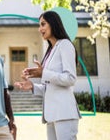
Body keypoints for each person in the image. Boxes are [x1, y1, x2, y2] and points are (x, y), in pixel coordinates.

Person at [14, 11, 81, 140]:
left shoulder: (65, 45)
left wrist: (43, 73)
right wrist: (32, 86)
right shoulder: (50, 51)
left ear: (53, 24)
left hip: (64, 113)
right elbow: (49, 87)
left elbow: (70, 78)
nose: (40, 29)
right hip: (51, 115)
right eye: (39, 26)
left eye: (43, 24)